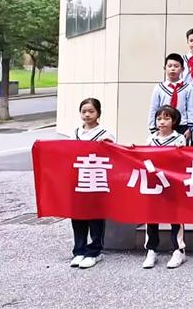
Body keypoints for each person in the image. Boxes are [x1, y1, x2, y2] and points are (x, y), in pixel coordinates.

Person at [133, 105, 187, 269]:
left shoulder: (179, 139)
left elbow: (182, 160)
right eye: (159, 119)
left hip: (172, 183)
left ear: (174, 121)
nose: (162, 122)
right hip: (154, 183)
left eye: (166, 118)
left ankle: (178, 250)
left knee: (175, 217)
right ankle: (151, 250)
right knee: (152, 216)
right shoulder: (151, 139)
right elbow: (145, 159)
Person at [69, 98, 116, 269]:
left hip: (97, 180)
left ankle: (95, 251)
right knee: (77, 215)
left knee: (95, 216)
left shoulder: (105, 134)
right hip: (79, 180)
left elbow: (113, 155)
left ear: (98, 113)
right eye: (84, 111)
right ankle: (79, 250)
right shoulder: (75, 133)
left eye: (91, 111)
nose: (87, 114)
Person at [147, 53, 193, 141]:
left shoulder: (188, 88)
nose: (172, 69)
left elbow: (191, 108)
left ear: (182, 69)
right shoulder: (159, 88)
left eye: (176, 66)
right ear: (165, 68)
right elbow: (153, 108)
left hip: (182, 125)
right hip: (163, 125)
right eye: (169, 66)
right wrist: (153, 127)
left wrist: (190, 128)